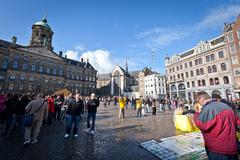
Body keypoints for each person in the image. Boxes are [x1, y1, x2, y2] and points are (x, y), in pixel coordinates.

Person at [194, 91, 239, 160]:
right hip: (232, 148)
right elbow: (238, 124)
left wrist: (196, 113)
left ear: (202, 100)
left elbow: (202, 125)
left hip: (217, 150)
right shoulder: (226, 106)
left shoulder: (208, 108)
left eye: (197, 101)